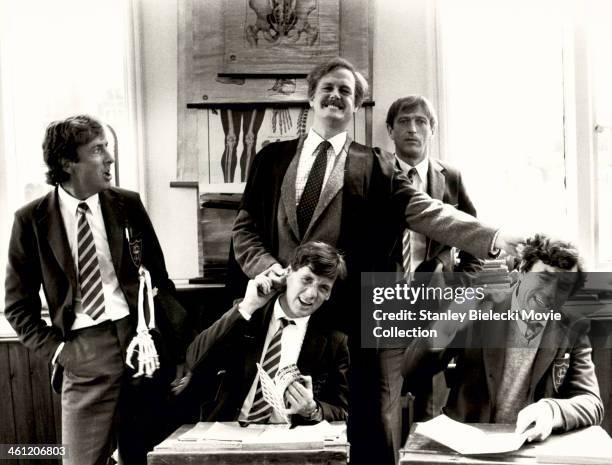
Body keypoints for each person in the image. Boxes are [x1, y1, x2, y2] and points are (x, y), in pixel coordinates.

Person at [230, 57, 522, 463]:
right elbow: (244, 230)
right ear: (311, 97)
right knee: (277, 428)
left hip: (351, 323)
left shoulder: (376, 166)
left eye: (346, 92)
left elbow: (428, 211)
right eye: (329, 88)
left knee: (361, 429)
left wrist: (493, 237)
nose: (336, 96)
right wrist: (267, 269)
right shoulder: (271, 159)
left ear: (357, 107)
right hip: (279, 317)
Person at [4, 115, 188, 465]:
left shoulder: (127, 204)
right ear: (67, 163)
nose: (110, 159)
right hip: (84, 352)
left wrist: (178, 352)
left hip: (143, 347)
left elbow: (160, 282)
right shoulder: (31, 220)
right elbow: (16, 306)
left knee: (145, 457)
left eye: (108, 148)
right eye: (98, 150)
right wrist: (61, 352)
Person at [402, 235, 603, 442]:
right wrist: (445, 328)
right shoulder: (480, 309)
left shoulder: (573, 330)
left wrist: (552, 411)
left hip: (531, 445)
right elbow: (411, 372)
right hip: (470, 443)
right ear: (522, 272)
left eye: (562, 287)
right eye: (544, 278)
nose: (550, 293)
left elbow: (592, 403)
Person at [379, 95, 483, 464]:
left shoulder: (449, 177)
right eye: (404, 121)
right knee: (385, 399)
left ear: (432, 131)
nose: (412, 128)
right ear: (389, 130)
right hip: (385, 297)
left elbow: (474, 238)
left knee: (429, 397)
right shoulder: (375, 173)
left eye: (421, 122)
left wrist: (462, 287)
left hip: (434, 296)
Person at [183, 241, 349, 424]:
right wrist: (248, 306)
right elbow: (194, 360)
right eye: (306, 279)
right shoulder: (248, 314)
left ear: (329, 295)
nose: (311, 294)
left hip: (289, 441)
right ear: (288, 273)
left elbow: (342, 410)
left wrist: (312, 409)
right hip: (231, 429)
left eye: (323, 287)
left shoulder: (334, 342)